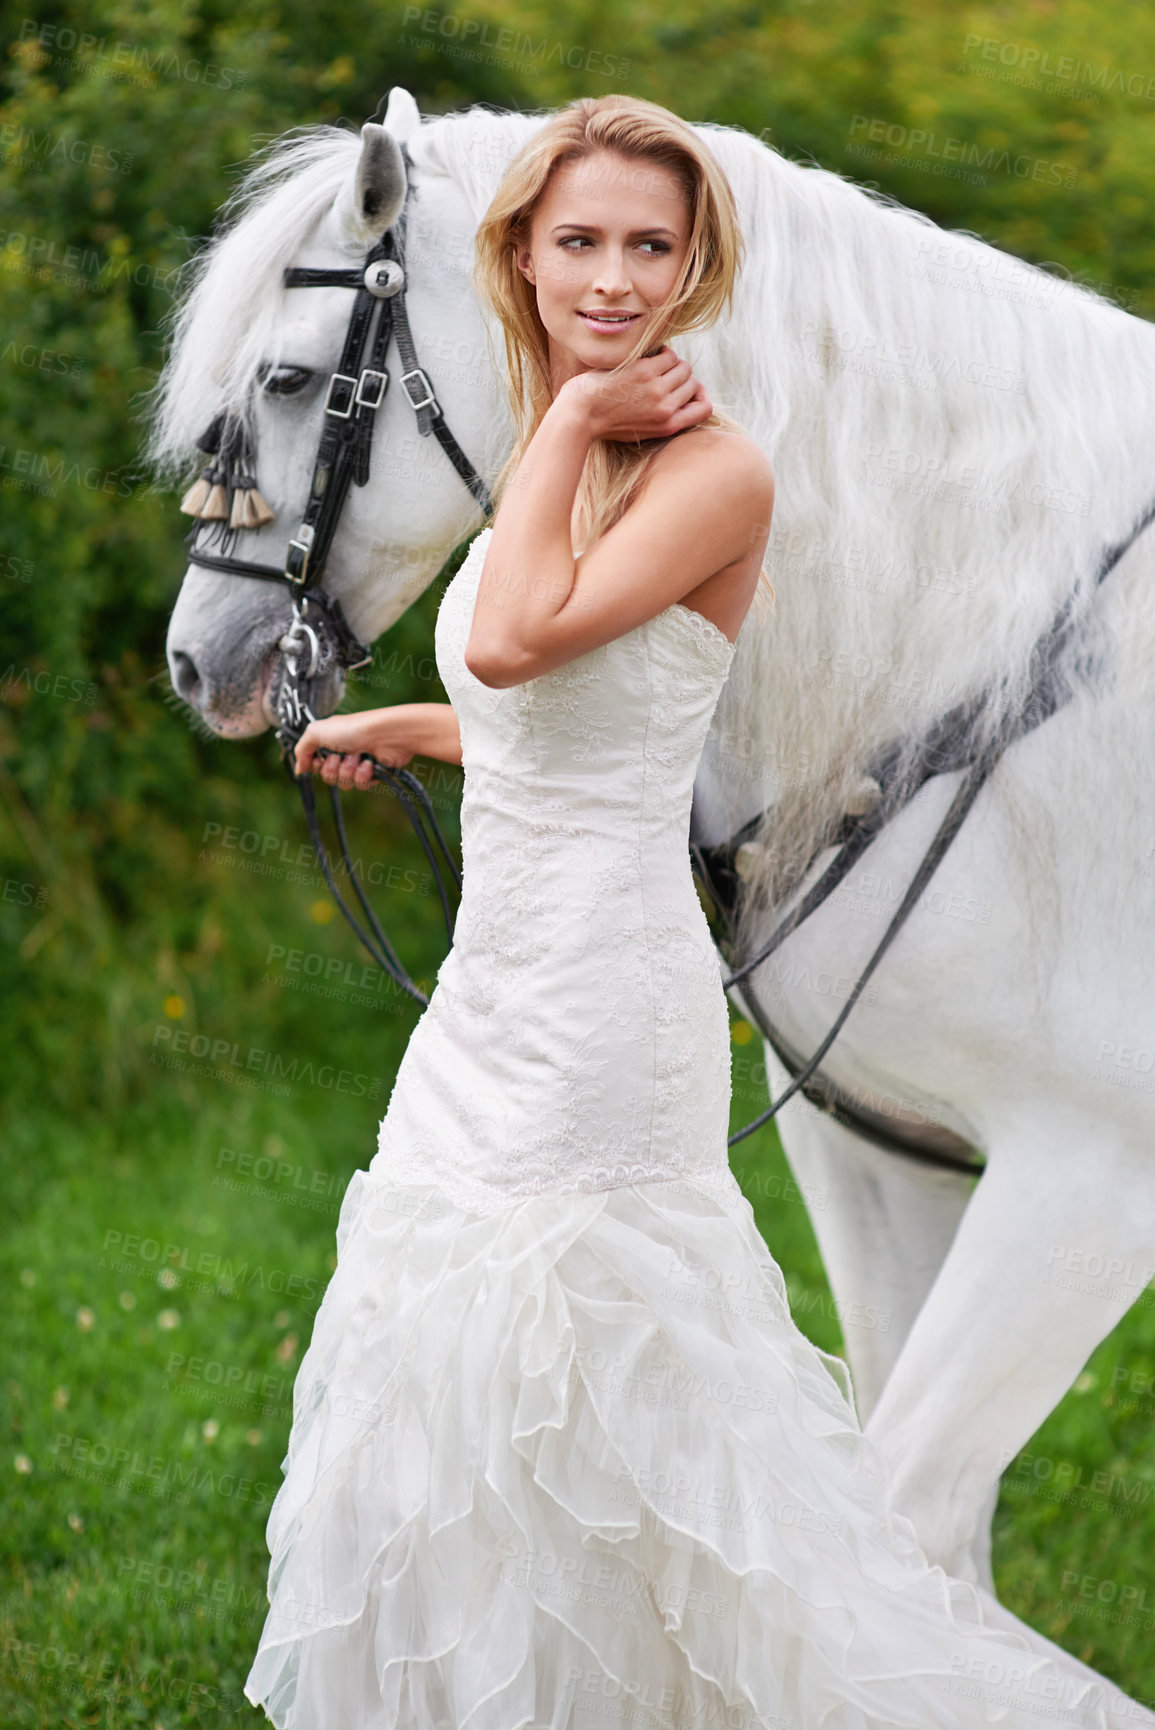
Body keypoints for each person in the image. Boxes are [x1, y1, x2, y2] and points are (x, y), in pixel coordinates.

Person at [244, 95, 1151, 1730]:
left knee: (597, 1371)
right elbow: (586, 705)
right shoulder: (571, 456)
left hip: (602, 1008)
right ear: (516, 254)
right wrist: (409, 728)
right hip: (494, 999)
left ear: (696, 266)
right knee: (462, 1379)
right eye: (576, 241)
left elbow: (519, 635)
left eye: (648, 246)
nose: (610, 276)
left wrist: (576, 422)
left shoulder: (711, 469)